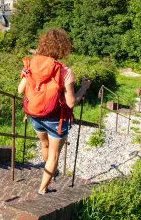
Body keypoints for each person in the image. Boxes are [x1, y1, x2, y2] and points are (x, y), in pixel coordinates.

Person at [18, 29, 91, 194]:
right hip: (56, 118)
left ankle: (49, 170)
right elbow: (71, 102)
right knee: (54, 154)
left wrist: (23, 76)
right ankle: (42, 189)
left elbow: (20, 90)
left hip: (34, 115)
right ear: (62, 47)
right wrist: (84, 88)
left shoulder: (31, 64)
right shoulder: (64, 70)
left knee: (44, 145)